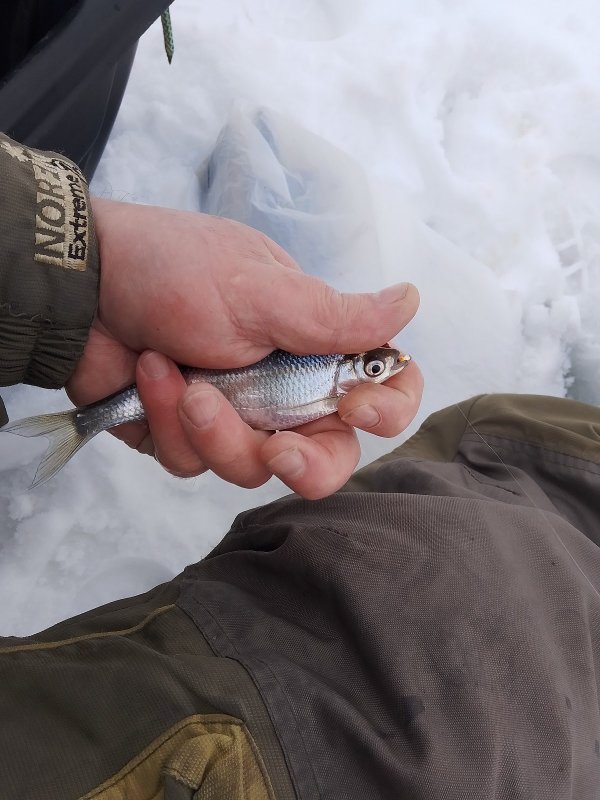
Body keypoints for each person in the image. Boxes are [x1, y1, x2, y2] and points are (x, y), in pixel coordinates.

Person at [1, 135, 599, 799]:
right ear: (352, 365)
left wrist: (93, 262)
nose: (381, 372)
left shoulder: (333, 390)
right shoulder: (329, 377)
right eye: (374, 367)